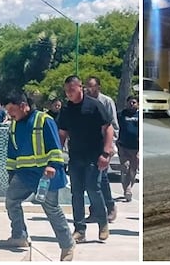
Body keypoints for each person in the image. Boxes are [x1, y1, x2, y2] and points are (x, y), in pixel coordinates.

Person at [2, 92, 75, 261]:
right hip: (24, 175)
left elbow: (55, 147)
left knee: (51, 209)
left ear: (23, 105)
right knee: (11, 200)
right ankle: (19, 235)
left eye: (12, 110)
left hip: (45, 175)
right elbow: (12, 152)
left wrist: (52, 165)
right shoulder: (13, 125)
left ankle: (67, 245)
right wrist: (11, 173)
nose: (10, 115)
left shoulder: (43, 120)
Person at [58, 75, 115, 244]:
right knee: (76, 193)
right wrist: (57, 156)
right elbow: (62, 134)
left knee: (93, 188)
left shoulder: (94, 105)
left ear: (80, 87)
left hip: (94, 155)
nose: (69, 93)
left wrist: (106, 152)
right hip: (75, 156)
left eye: (72, 90)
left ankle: (103, 223)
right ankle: (79, 229)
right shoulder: (66, 110)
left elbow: (109, 128)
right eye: (66, 90)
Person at [84, 76, 118, 222]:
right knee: (91, 178)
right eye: (86, 86)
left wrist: (109, 147)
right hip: (90, 146)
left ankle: (109, 206)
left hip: (104, 146)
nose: (88, 89)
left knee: (100, 178)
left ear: (98, 87)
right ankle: (95, 210)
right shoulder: (84, 102)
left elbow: (114, 126)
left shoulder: (106, 102)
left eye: (91, 86)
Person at [117, 96, 141, 202]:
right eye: (130, 102)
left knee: (133, 170)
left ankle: (129, 187)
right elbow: (115, 128)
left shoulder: (140, 115)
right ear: (126, 103)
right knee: (125, 168)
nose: (132, 104)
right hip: (123, 146)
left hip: (136, 148)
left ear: (138, 104)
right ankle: (127, 190)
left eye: (134, 102)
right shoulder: (121, 115)